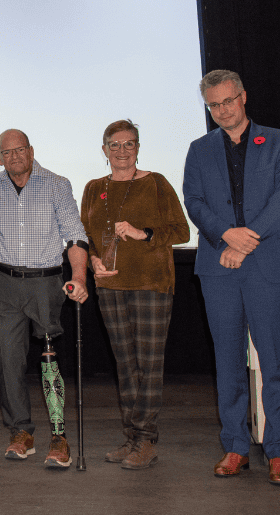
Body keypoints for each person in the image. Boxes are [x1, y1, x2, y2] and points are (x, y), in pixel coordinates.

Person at [182, 70, 280, 486]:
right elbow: (194, 202)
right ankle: (235, 446)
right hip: (219, 267)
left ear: (243, 97)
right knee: (228, 362)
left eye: (228, 101)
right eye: (214, 105)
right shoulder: (199, 150)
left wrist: (243, 241)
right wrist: (224, 235)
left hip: (267, 262)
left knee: (274, 360)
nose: (222, 110)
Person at [0, 128, 89, 469]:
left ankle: (59, 437)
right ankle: (21, 432)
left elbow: (75, 234)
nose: (14, 157)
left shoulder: (57, 184)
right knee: (8, 361)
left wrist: (78, 277)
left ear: (31, 151)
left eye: (20, 150)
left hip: (45, 283)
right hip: (2, 283)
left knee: (49, 359)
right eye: (7, 152)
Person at [79, 119, 189, 470]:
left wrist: (144, 233)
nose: (122, 150)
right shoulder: (94, 188)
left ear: (138, 148)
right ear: (104, 149)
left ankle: (146, 440)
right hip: (109, 286)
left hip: (151, 284)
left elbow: (182, 230)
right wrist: (94, 260)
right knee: (125, 366)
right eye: (115, 144)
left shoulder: (156, 183)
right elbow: (84, 236)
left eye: (129, 144)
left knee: (149, 366)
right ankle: (132, 439)